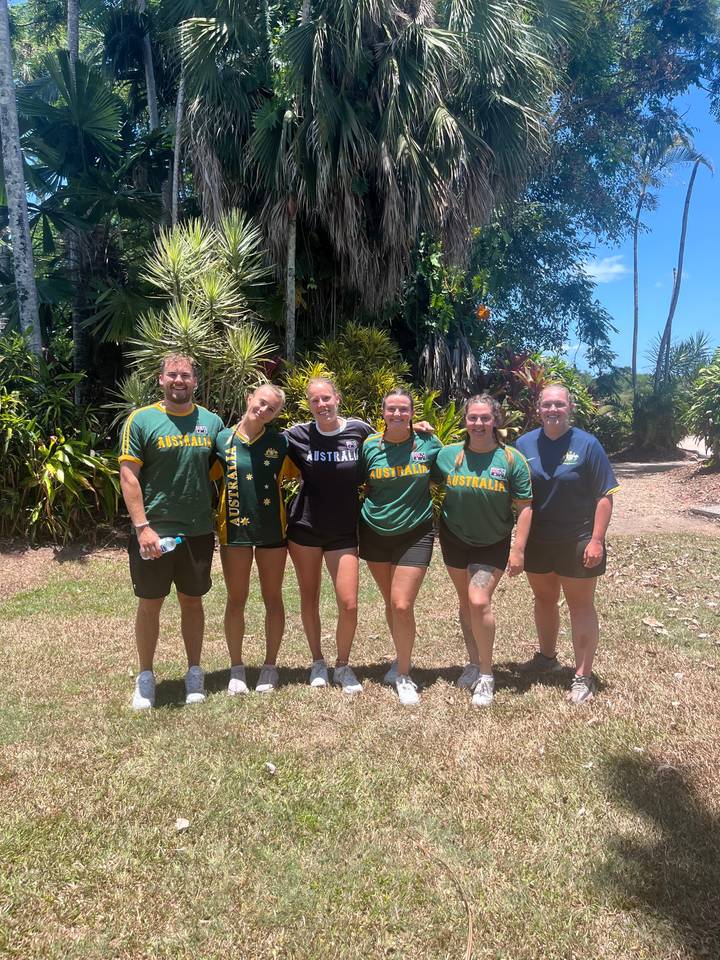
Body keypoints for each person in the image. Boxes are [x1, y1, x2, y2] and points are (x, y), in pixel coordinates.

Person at [119, 354, 224, 710]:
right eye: (172, 375)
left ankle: (195, 672)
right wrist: (142, 527)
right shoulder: (142, 420)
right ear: (160, 379)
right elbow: (129, 475)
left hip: (196, 530)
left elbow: (226, 462)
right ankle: (145, 677)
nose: (179, 380)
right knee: (150, 603)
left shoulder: (211, 422)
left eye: (186, 375)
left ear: (196, 381)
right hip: (155, 532)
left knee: (192, 602)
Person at [515, 383, 619, 704]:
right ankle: (547, 657)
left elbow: (604, 496)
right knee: (544, 600)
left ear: (569, 407)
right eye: (547, 404)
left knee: (580, 606)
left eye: (559, 404)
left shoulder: (588, 445)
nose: (553, 410)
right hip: (538, 542)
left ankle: (582, 675)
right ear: (538, 408)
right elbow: (516, 491)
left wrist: (597, 540)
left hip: (578, 540)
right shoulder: (523, 443)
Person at [432, 394, 533, 707]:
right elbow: (422, 474)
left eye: (485, 418)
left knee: (479, 600)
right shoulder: (447, 456)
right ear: (465, 421)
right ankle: (473, 662)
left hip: (493, 541)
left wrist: (518, 550)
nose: (478, 424)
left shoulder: (511, 460)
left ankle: (487, 675)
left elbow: (525, 506)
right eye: (473, 418)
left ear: (495, 421)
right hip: (454, 539)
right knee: (466, 602)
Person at [284, 377, 373, 694]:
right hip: (305, 528)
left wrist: (418, 429)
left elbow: (389, 447)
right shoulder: (297, 435)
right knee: (309, 598)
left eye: (326, 398)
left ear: (337, 398)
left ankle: (343, 665)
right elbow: (258, 438)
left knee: (348, 603)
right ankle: (317, 662)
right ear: (309, 405)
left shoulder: (359, 430)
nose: (321, 405)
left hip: (343, 531)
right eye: (314, 401)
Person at [359, 388, 442, 706]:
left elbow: (448, 473)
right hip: (375, 532)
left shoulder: (429, 443)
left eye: (403, 409)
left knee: (403, 604)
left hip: (415, 533)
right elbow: (357, 480)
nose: (397, 414)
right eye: (391, 409)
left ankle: (405, 674)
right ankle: (399, 657)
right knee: (391, 602)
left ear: (411, 413)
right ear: (383, 413)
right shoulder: (369, 446)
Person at [214, 383, 296, 695]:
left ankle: (270, 667)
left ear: (276, 414)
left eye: (271, 409)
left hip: (272, 532)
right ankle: (237, 669)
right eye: (261, 403)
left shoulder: (280, 442)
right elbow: (200, 472)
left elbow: (306, 468)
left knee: (272, 598)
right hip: (233, 531)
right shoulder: (222, 439)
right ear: (250, 398)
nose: (263, 410)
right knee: (236, 600)